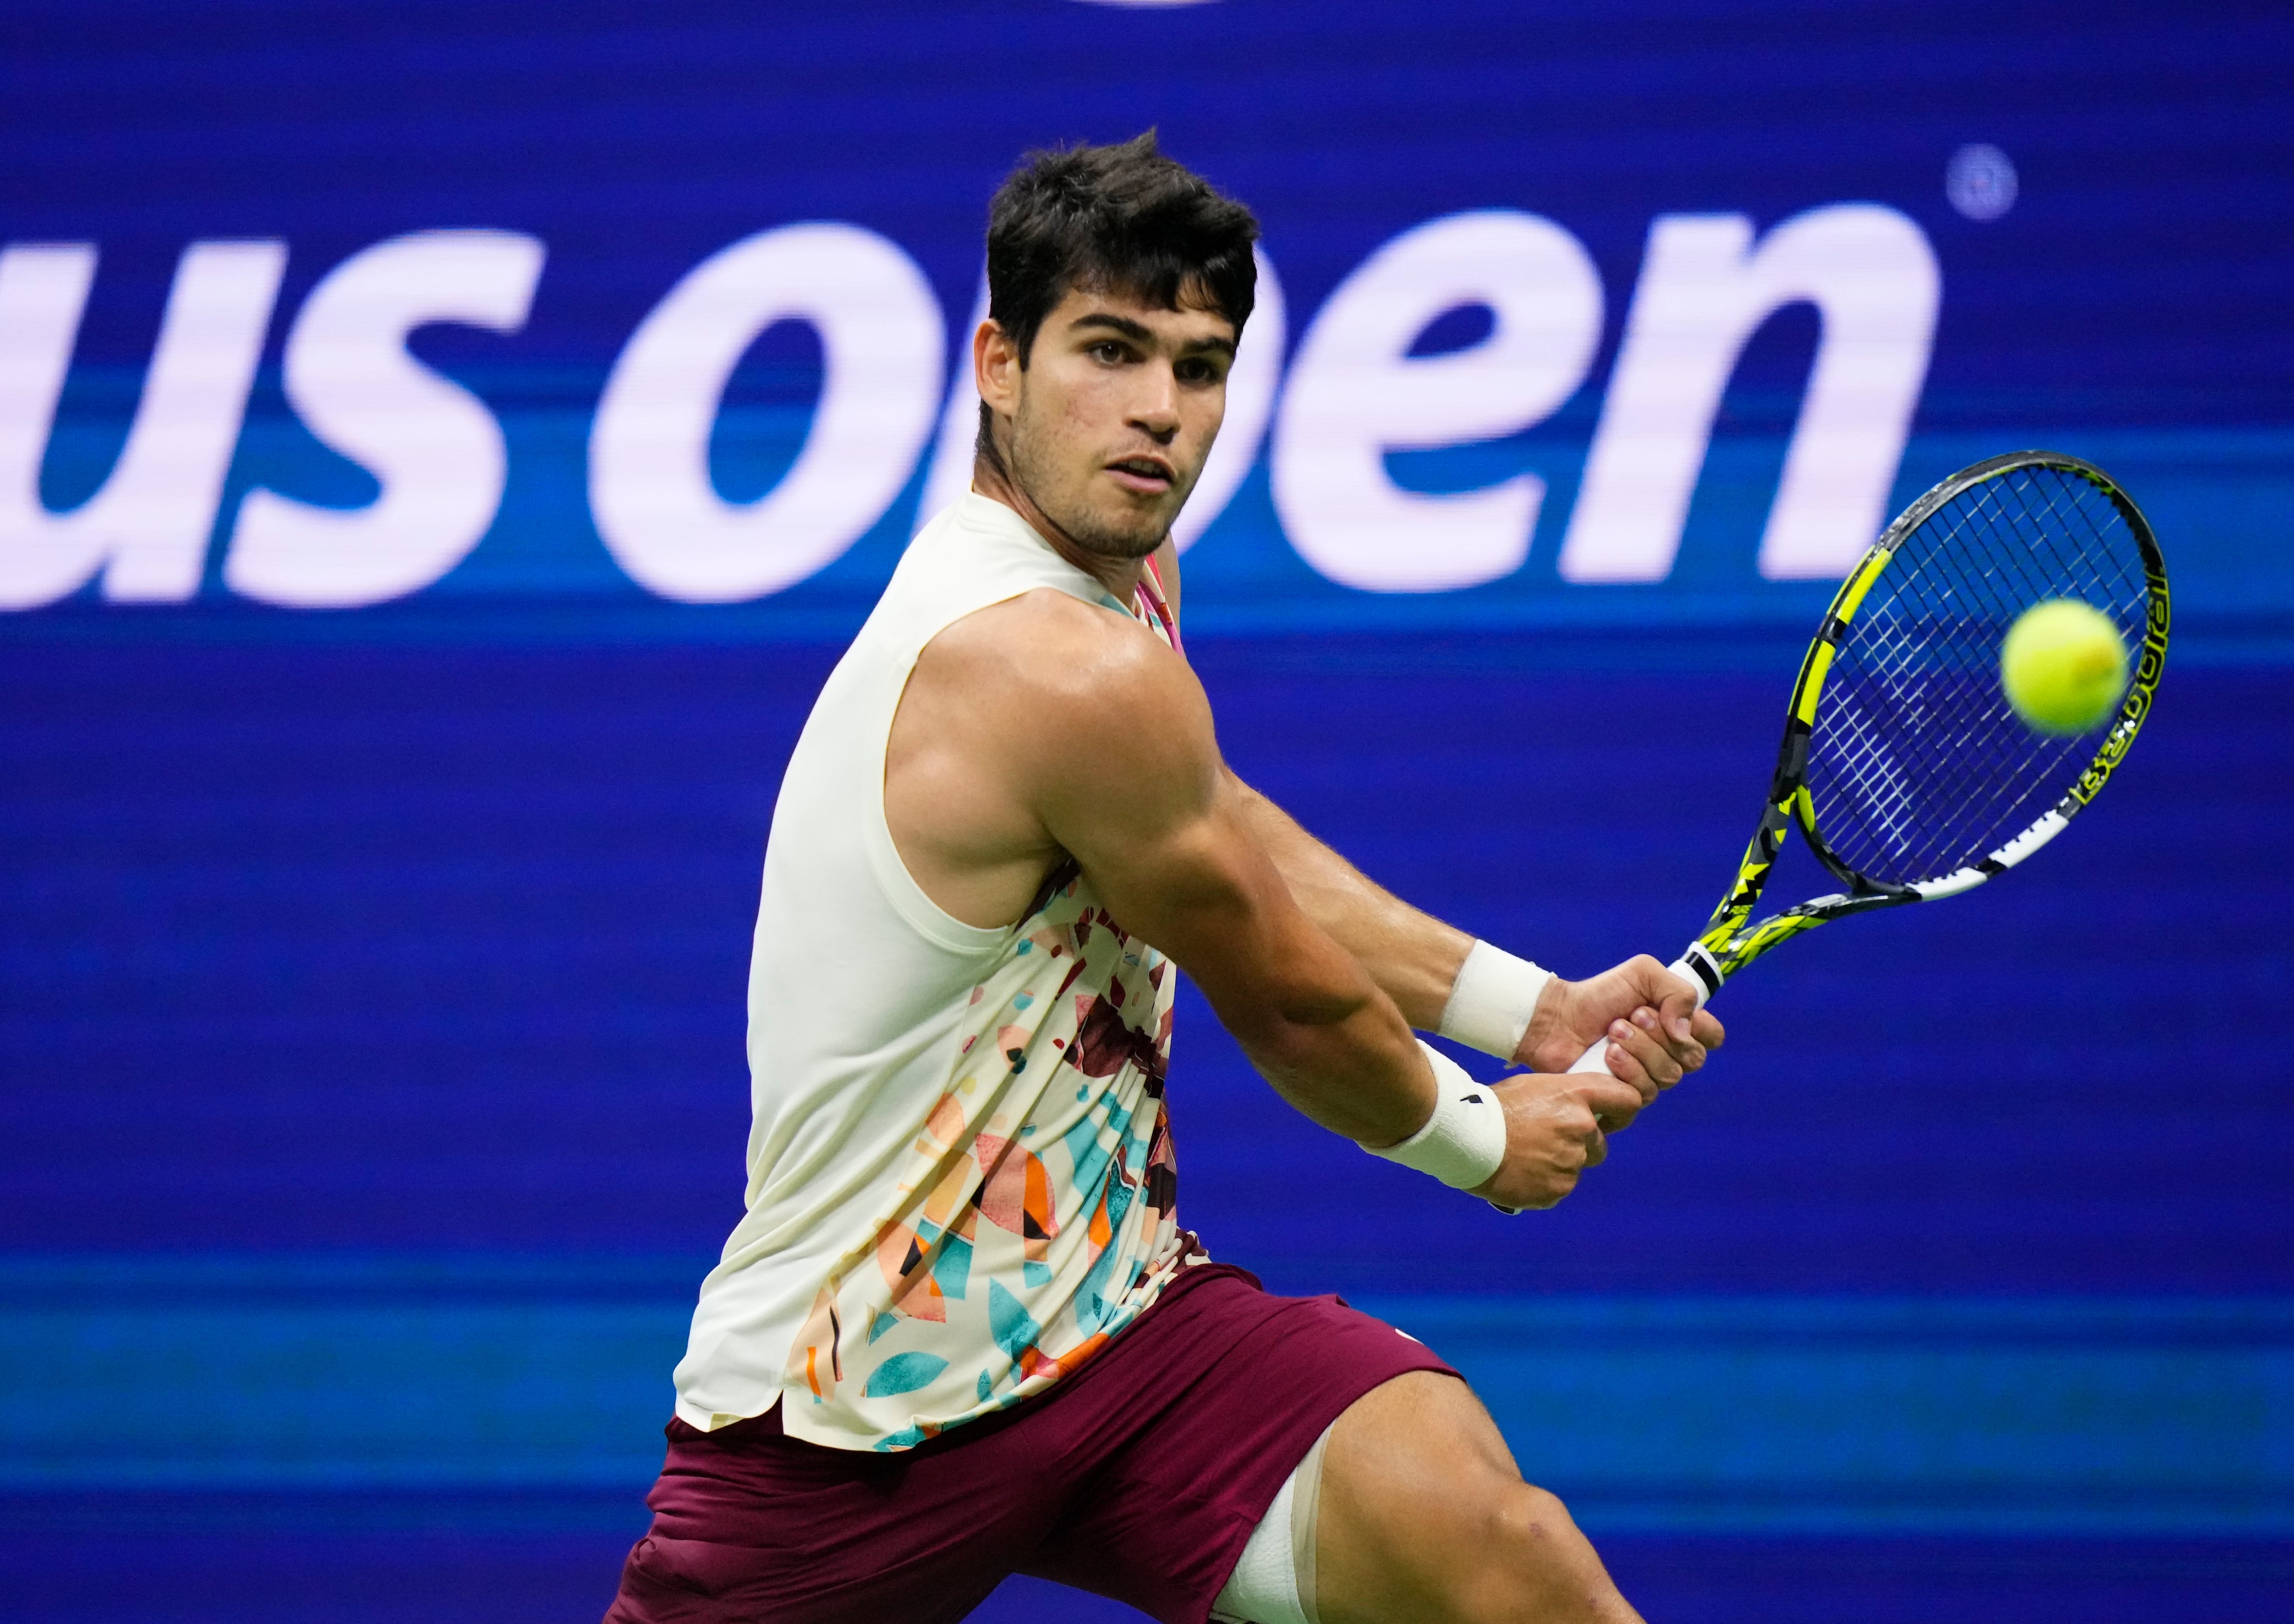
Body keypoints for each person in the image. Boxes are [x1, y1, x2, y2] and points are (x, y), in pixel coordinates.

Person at [604, 132, 1723, 1624]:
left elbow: (1214, 831)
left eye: (1198, 369)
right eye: (1111, 352)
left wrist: (1535, 1012)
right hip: (850, 1409)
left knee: (1499, 1554)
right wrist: (1482, 1139)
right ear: (999, 363)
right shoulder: (1047, 662)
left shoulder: (1124, 584)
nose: (1158, 413)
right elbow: (1289, 996)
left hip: (1119, 1329)